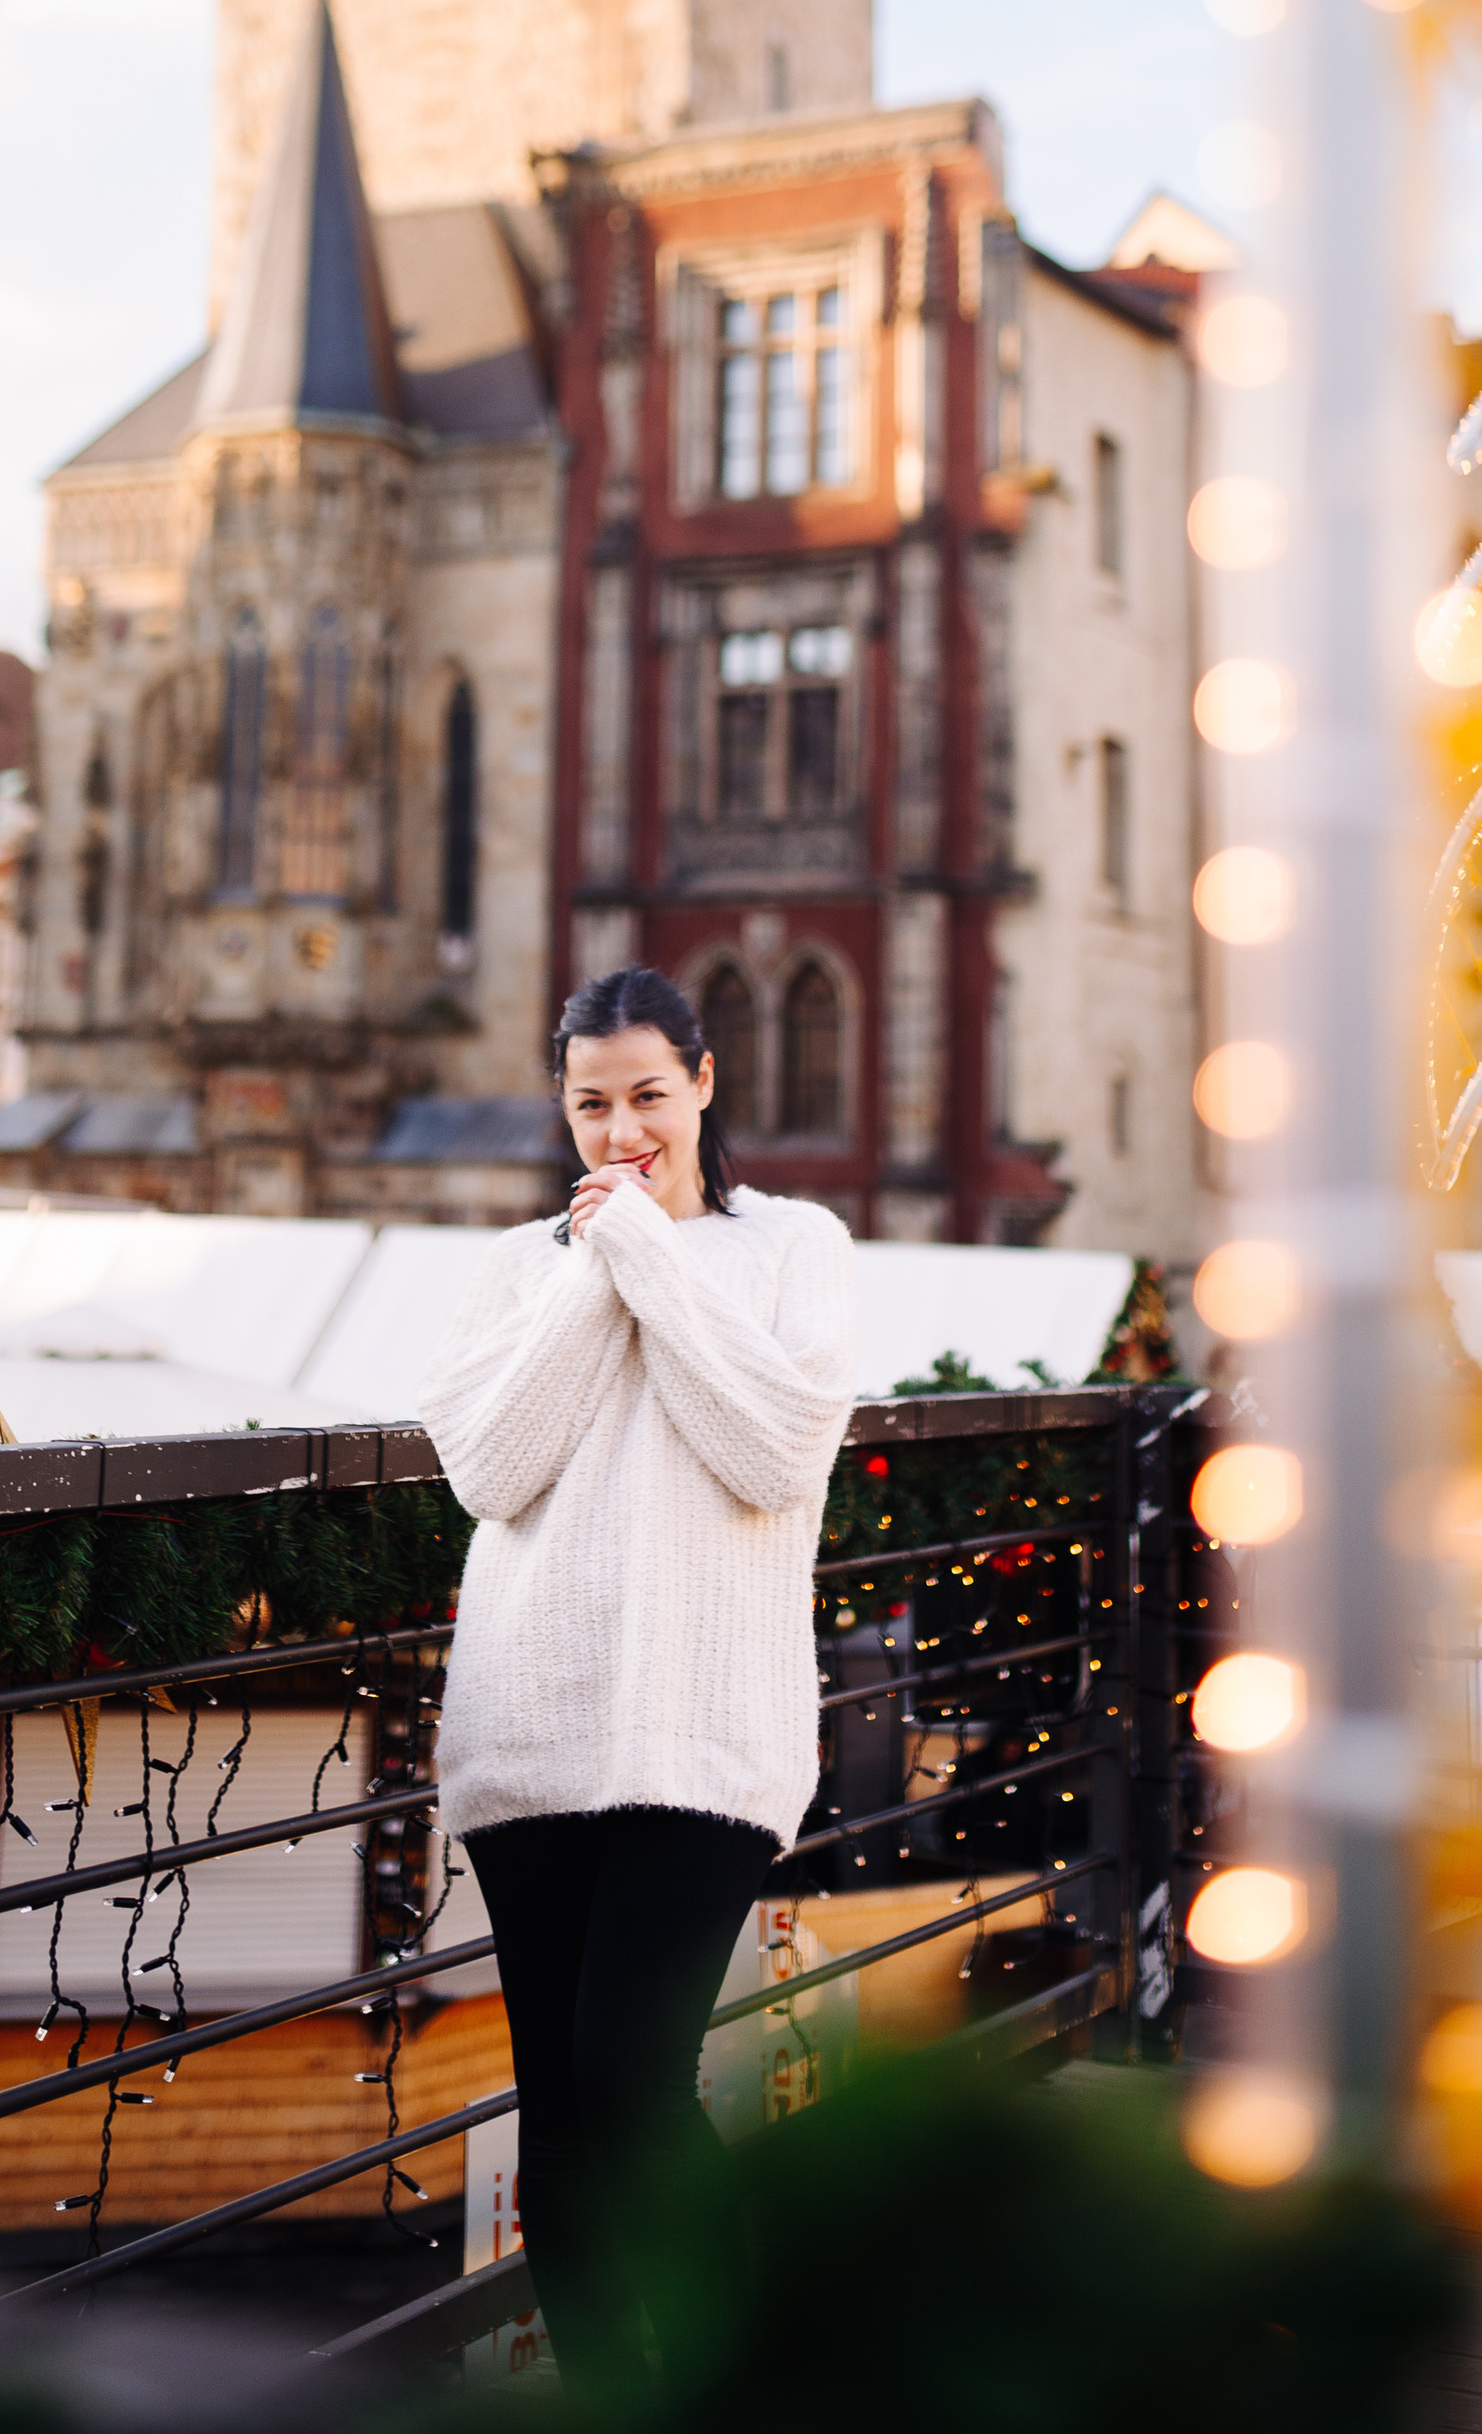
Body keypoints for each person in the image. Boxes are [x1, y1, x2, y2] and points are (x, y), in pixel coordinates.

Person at [418, 966, 857, 2390]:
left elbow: (777, 1454)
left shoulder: (794, 1249)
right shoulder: (517, 1269)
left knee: (629, 2075)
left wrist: (650, 1259)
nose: (622, 1133)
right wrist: (594, 1267)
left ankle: (746, 2384)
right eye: (592, 1103)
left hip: (703, 1736)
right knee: (559, 2097)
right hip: (530, 1725)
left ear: (706, 1083)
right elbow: (491, 1466)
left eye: (649, 1098)